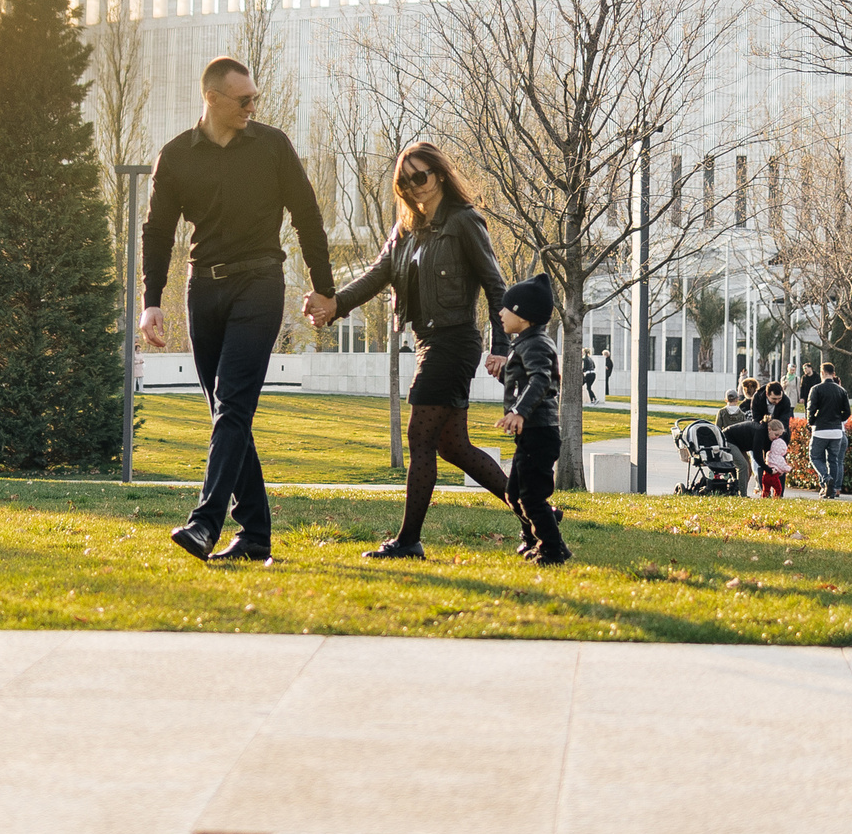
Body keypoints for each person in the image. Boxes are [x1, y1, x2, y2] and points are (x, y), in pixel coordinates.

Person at [142, 56, 336, 567]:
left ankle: (206, 523)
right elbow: (158, 232)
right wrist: (150, 302)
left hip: (260, 281)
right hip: (202, 289)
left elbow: (308, 215)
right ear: (211, 98)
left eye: (255, 98)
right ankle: (255, 535)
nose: (253, 105)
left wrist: (325, 288)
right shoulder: (176, 156)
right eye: (243, 99)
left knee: (231, 402)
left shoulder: (271, 146)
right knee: (227, 411)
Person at [312, 142, 518, 559]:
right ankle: (538, 511)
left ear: (439, 175)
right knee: (453, 445)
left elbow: (495, 286)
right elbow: (377, 275)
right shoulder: (405, 229)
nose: (413, 187)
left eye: (420, 177)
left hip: (455, 341)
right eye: (405, 181)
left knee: (419, 435)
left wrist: (501, 346)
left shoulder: (463, 221)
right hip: (428, 341)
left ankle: (408, 541)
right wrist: (334, 305)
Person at [495, 275, 570, 563]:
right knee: (514, 494)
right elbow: (526, 379)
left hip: (540, 432)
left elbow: (541, 379)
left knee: (531, 497)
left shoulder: (536, 343)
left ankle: (552, 549)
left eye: (506, 309)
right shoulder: (526, 343)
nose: (501, 314)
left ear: (523, 315)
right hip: (532, 433)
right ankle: (532, 538)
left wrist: (519, 411)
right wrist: (504, 372)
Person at [807, 360, 852, 498]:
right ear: (833, 373)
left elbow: (811, 409)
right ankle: (831, 490)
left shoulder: (816, 389)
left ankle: (826, 479)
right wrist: (839, 420)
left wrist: (812, 422)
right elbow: (848, 412)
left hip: (821, 429)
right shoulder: (841, 391)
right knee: (834, 460)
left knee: (814, 456)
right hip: (837, 431)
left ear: (822, 373)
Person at [758, 419, 791, 498]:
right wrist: (789, 468)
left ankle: (764, 496)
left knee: (766, 488)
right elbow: (783, 466)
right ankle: (777, 497)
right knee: (778, 488)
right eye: (776, 435)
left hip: (765, 476)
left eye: (779, 436)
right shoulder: (780, 458)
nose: (777, 437)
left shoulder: (769, 453)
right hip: (774, 476)